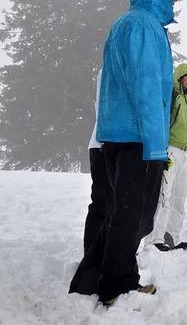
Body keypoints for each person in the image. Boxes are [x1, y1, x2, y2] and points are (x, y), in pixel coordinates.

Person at [69, 0, 183, 305]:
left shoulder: (125, 24)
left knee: (121, 211)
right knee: (133, 214)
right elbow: (147, 88)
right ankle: (118, 283)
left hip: (118, 134)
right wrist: (155, 146)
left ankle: (91, 277)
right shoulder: (145, 27)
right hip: (138, 138)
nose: (175, 2)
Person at [145, 63, 187, 251]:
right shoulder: (173, 96)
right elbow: (161, 122)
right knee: (164, 195)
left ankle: (172, 237)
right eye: (186, 76)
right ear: (178, 77)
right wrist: (159, 151)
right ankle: (155, 239)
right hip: (170, 151)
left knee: (179, 197)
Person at [82, 70, 111, 254]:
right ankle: (92, 254)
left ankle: (105, 250)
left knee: (114, 204)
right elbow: (104, 106)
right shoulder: (108, 70)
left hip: (112, 144)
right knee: (102, 202)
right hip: (103, 144)